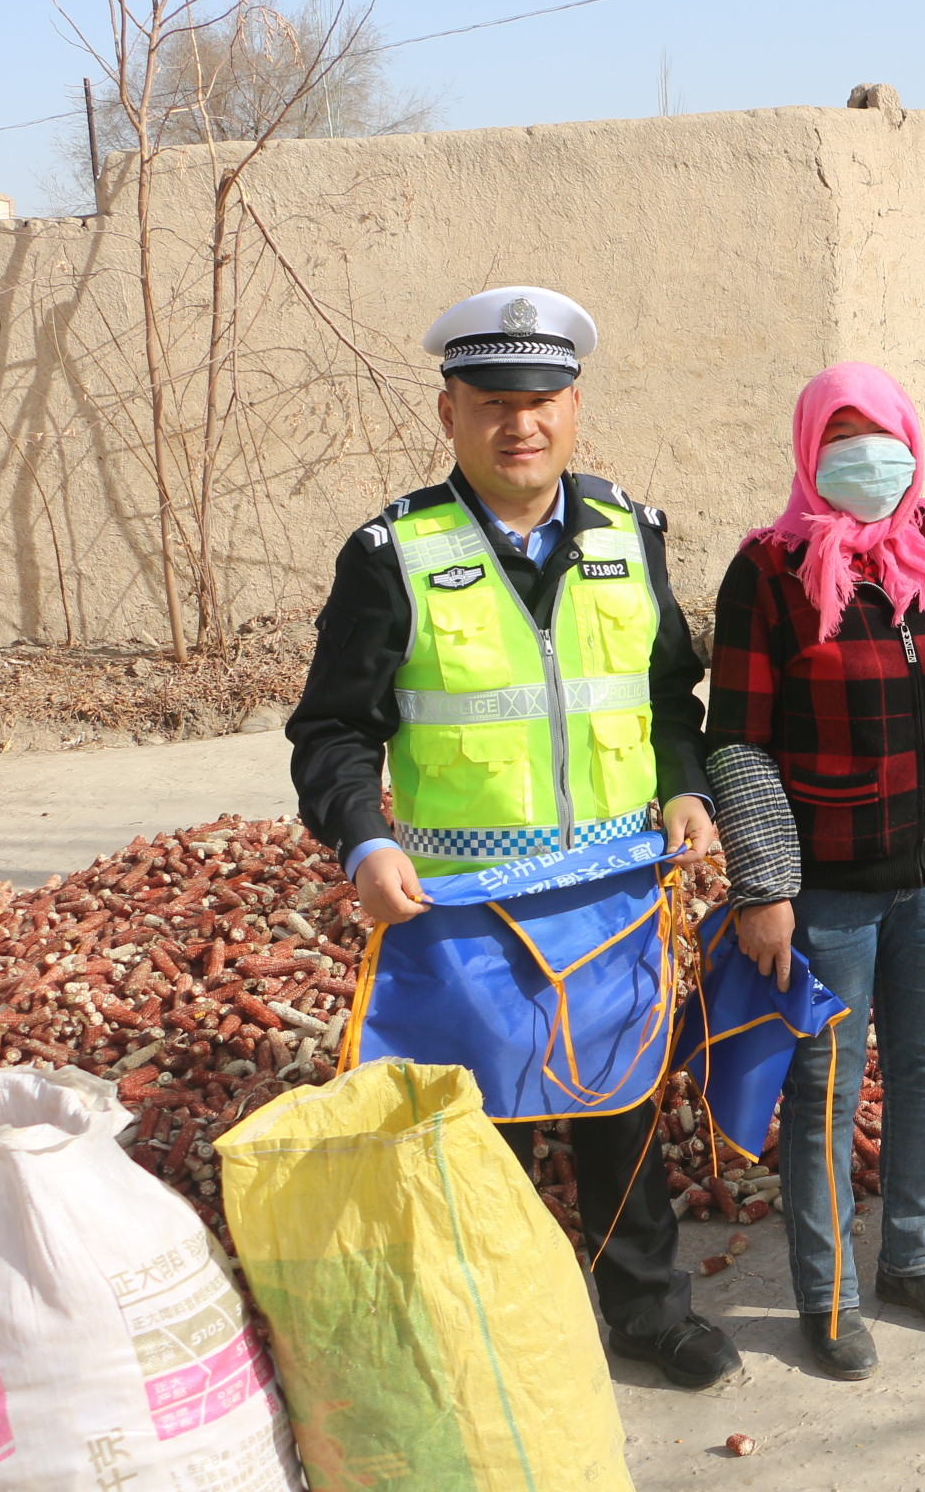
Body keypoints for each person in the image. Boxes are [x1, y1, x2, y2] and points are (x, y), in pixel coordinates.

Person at [287, 285, 735, 1389]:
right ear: (450, 413)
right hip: (463, 909)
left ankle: (646, 1313)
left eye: (541, 400)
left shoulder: (632, 535)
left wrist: (684, 789)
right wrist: (360, 840)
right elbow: (335, 729)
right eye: (492, 402)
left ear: (574, 405)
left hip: (616, 896)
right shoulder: (392, 551)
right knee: (479, 1136)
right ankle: (492, 1331)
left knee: (619, 1107)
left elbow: (670, 696)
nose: (518, 424)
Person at [705, 362, 925, 1380]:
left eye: (881, 434)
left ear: (912, 439)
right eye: (842, 438)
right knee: (825, 1087)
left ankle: (915, 1257)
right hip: (827, 891)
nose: (868, 456)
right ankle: (829, 1295)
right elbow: (740, 743)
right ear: (811, 451)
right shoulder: (767, 571)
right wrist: (764, 885)